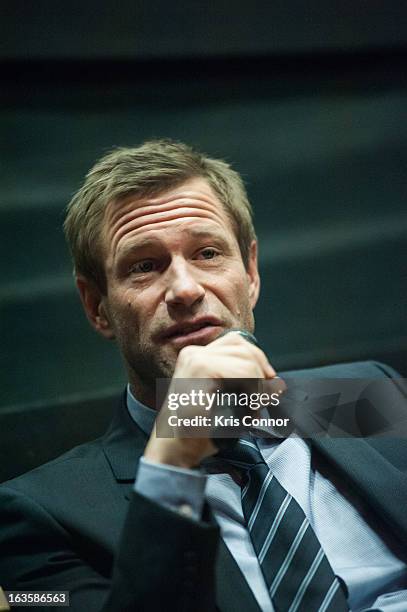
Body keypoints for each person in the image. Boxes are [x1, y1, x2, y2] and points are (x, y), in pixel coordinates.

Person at [0, 140, 406, 612]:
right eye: (144, 266)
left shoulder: (359, 396)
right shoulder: (41, 512)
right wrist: (174, 456)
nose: (187, 289)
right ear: (97, 308)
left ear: (250, 273)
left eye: (208, 253)